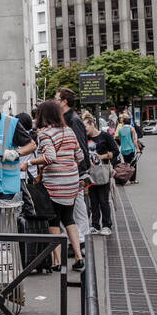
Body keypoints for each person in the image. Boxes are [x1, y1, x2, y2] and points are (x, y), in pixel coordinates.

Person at [33, 99, 86, 271]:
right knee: (68, 218)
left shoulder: (45, 134)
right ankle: (78, 256)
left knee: (53, 220)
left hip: (55, 184)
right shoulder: (69, 131)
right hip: (71, 182)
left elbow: (50, 157)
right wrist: (68, 166)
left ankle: (58, 261)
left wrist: (30, 162)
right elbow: (80, 156)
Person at [55, 88, 92, 244]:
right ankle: (77, 239)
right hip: (71, 171)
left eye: (57, 99)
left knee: (77, 207)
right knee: (73, 207)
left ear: (64, 101)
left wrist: (80, 171)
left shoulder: (73, 120)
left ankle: (82, 239)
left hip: (75, 172)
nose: (54, 101)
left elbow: (80, 148)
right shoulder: (67, 118)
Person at [83, 112, 119, 236]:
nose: (84, 130)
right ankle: (94, 225)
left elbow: (115, 151)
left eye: (86, 127)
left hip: (102, 171)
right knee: (92, 200)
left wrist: (102, 156)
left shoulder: (105, 136)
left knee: (103, 199)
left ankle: (107, 225)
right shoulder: (84, 138)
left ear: (92, 124)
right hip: (88, 173)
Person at [116, 113, 139, 183]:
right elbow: (134, 139)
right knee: (133, 165)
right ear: (130, 122)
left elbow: (119, 138)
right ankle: (133, 179)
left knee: (127, 164)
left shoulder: (120, 130)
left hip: (123, 149)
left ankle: (126, 178)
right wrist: (138, 148)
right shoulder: (131, 128)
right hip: (131, 148)